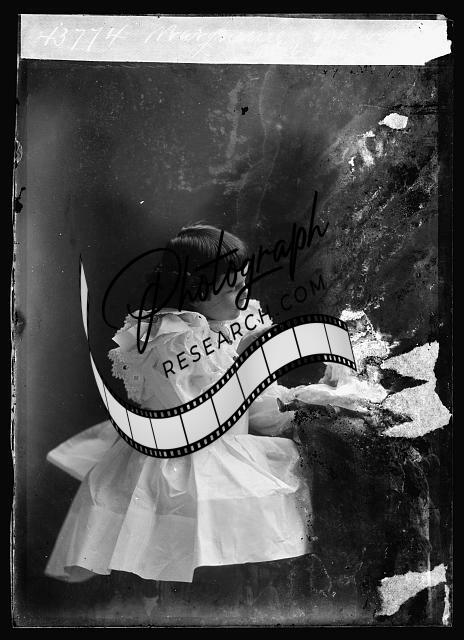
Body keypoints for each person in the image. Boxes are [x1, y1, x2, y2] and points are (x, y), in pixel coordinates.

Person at [44, 224, 378, 612]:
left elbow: (258, 407)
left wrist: (305, 401)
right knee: (177, 558)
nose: (244, 295)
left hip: (226, 448)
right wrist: (248, 361)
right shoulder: (169, 339)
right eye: (232, 288)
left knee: (288, 500)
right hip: (178, 460)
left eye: (244, 283)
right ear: (195, 290)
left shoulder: (229, 325)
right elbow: (207, 411)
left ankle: (232, 604)